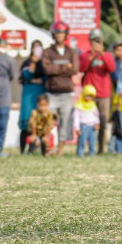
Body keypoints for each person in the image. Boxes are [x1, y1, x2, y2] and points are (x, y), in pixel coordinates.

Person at [41, 22, 80, 154]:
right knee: (49, 121)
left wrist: (56, 68)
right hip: (52, 92)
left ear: (66, 35)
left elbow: (75, 69)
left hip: (67, 93)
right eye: (57, 33)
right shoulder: (48, 52)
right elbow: (47, 69)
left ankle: (60, 150)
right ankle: (48, 147)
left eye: (62, 33)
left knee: (64, 122)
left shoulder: (71, 52)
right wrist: (65, 68)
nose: (59, 36)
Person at [80, 31, 115, 153]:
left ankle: (101, 148)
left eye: (98, 40)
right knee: (87, 123)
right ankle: (87, 149)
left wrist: (102, 53)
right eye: (93, 40)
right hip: (89, 95)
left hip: (104, 94)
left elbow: (111, 68)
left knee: (103, 122)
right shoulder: (85, 55)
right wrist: (91, 56)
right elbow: (81, 68)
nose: (96, 43)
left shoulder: (107, 55)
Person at [19, 43, 46, 153]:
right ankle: (22, 150)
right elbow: (27, 75)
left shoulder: (45, 62)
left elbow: (46, 76)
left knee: (40, 120)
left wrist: (40, 80)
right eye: (35, 48)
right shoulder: (27, 62)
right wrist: (33, 62)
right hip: (28, 95)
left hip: (40, 94)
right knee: (26, 121)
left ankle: (34, 149)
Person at [73, 85, 101, 157]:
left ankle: (92, 154)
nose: (89, 98)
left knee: (92, 142)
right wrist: (77, 128)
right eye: (87, 96)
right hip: (83, 126)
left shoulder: (93, 105)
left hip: (92, 127)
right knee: (82, 141)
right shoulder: (79, 105)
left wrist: (97, 123)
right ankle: (80, 154)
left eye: (91, 96)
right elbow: (76, 118)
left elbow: (96, 115)